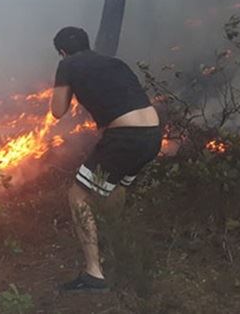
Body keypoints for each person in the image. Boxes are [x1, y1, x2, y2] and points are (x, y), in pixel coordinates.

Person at [49, 27, 161, 293]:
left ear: (62, 51)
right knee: (115, 189)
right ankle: (116, 247)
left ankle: (93, 274)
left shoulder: (67, 64)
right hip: (153, 134)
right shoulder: (114, 62)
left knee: (78, 196)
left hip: (125, 137)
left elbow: (57, 111)